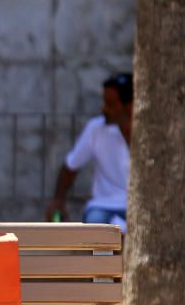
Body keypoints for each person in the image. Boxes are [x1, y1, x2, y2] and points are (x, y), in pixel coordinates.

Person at [46, 73, 133, 231]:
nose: (104, 108)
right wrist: (58, 201)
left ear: (130, 106)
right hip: (103, 207)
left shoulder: (151, 136)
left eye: (110, 104)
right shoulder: (96, 129)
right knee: (95, 230)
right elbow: (70, 167)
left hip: (139, 208)